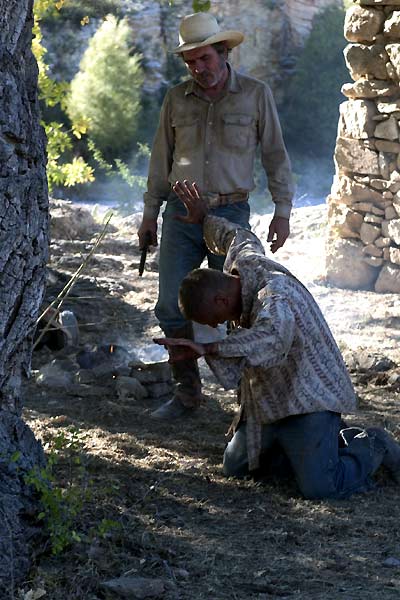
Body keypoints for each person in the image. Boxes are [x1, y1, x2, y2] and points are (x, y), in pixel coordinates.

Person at [153, 181, 400, 500]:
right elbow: (235, 236)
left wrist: (209, 348)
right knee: (237, 467)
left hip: (309, 398)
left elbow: (272, 338)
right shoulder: (241, 264)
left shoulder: (276, 297)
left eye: (210, 320)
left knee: (320, 487)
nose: (215, 325)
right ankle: (307, 447)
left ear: (219, 300)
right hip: (267, 402)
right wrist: (203, 218)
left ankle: (372, 443)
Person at [138, 12, 294, 420]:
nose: (198, 68)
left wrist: (282, 210)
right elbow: (161, 158)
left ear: (224, 52)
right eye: (190, 62)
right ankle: (186, 392)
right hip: (180, 212)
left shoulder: (255, 94)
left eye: (204, 58)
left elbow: (275, 154)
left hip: (232, 211)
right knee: (171, 306)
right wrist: (149, 213)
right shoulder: (175, 98)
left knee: (238, 306)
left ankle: (250, 400)